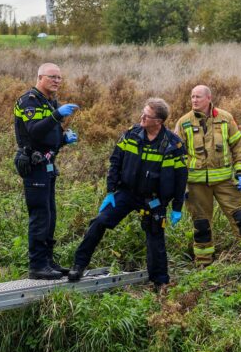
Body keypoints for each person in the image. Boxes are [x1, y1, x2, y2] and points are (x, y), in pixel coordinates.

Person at [68, 98, 187, 290]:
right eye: (142, 113)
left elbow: (181, 178)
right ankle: (79, 265)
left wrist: (177, 207)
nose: (142, 118)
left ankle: (160, 282)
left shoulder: (173, 145)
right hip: (126, 193)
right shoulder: (131, 134)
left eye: (146, 116)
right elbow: (115, 162)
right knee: (99, 222)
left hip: (153, 200)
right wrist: (110, 191)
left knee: (155, 236)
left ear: (158, 121)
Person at [175, 85, 241, 266]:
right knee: (201, 224)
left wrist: (240, 171)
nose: (194, 100)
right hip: (196, 184)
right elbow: (176, 157)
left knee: (240, 217)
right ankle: (203, 260)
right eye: (192, 97)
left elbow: (237, 146)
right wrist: (180, 185)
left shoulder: (225, 119)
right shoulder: (183, 122)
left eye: (198, 97)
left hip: (225, 181)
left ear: (209, 98)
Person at [13, 62, 79, 279]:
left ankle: (48, 261)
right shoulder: (27, 101)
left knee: (50, 215)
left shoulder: (50, 102)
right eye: (53, 77)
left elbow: (49, 135)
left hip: (48, 165)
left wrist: (63, 139)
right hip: (34, 166)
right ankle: (37, 265)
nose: (57, 81)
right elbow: (34, 132)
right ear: (40, 77)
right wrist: (57, 116)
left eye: (59, 78)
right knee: (40, 216)